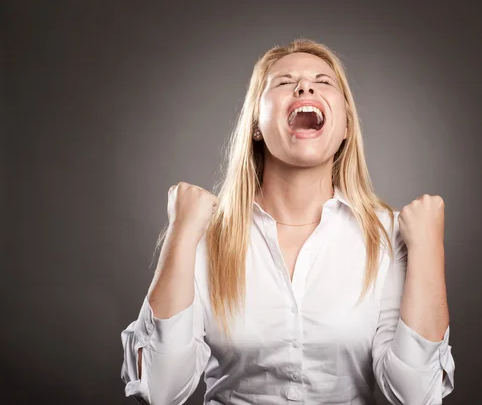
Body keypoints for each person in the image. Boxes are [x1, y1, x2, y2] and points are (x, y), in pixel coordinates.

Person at [120, 38, 456, 405]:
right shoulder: (205, 234)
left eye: (323, 81)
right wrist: (181, 234)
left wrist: (428, 250)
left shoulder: (388, 237)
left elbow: (414, 397)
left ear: (345, 127)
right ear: (256, 126)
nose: (305, 86)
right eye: (283, 82)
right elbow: (160, 390)